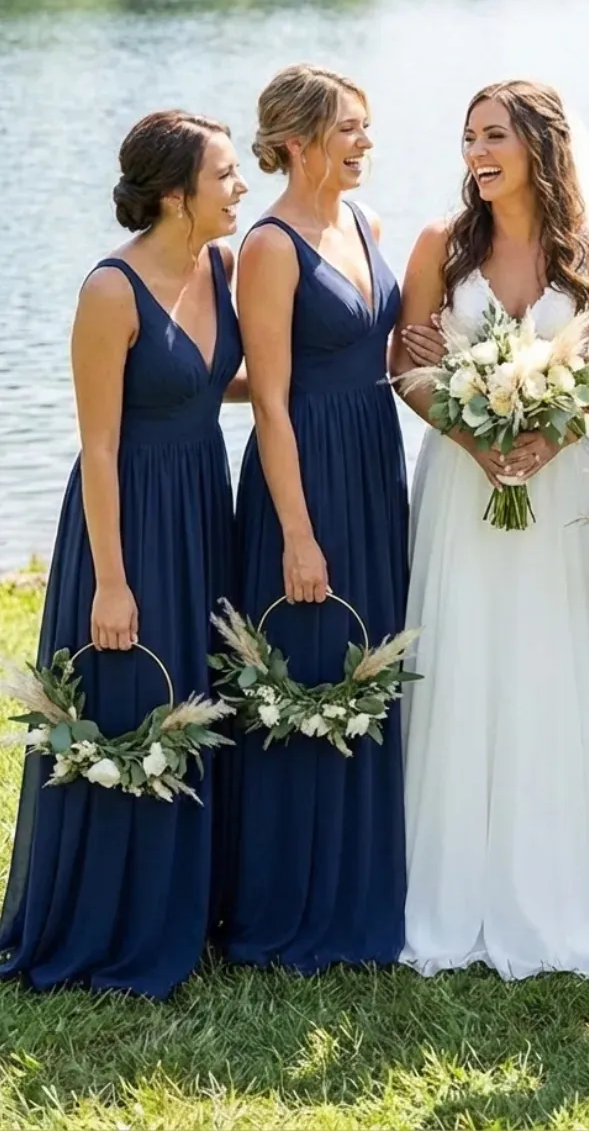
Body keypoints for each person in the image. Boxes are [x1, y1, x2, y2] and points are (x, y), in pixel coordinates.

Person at [393, 79, 589, 978]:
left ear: (541, 146)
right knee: (464, 660)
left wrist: (546, 436)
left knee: (556, 668)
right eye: (469, 135)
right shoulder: (441, 245)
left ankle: (565, 886)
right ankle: (453, 888)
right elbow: (406, 364)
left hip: (562, 486)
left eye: (495, 136)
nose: (477, 152)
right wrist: (474, 436)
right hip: (461, 483)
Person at [0, 111, 245, 998]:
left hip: (199, 508)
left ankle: (184, 904)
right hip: (128, 516)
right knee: (123, 698)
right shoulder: (110, 291)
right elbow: (97, 444)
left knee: (192, 696)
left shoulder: (218, 267)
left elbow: (215, 377)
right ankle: (104, 918)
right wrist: (111, 581)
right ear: (175, 196)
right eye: (225, 174)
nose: (240, 187)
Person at [218, 64, 408, 970]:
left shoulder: (363, 222)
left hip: (374, 464)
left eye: (367, 128)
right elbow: (270, 402)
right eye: (350, 129)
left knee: (371, 659)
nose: (366, 142)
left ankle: (369, 882)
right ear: (296, 141)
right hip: (305, 475)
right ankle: (291, 898)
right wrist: (297, 533)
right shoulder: (269, 246)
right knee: (306, 666)